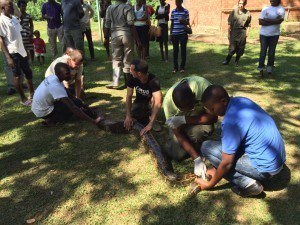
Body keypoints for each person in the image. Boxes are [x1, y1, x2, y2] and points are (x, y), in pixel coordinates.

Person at [194, 85, 286, 197]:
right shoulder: (241, 101)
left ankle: (248, 184)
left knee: (206, 147)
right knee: (225, 150)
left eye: (212, 109)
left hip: (265, 170)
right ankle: (222, 170)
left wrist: (210, 184)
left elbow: (227, 163)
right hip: (277, 161)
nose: (211, 112)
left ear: (223, 101)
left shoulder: (230, 122)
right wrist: (215, 167)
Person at [163, 76, 217, 178]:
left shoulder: (203, 87)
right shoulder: (168, 104)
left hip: (198, 116)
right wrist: (196, 159)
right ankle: (185, 144)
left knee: (202, 130)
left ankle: (196, 144)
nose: (187, 110)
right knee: (177, 155)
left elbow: (213, 117)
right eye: (183, 109)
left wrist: (185, 119)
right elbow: (177, 132)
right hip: (179, 122)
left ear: (194, 96)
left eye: (190, 107)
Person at [32, 63, 102, 126]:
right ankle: (52, 119)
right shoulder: (55, 85)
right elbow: (72, 107)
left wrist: (83, 105)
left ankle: (52, 118)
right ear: (59, 74)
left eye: (70, 72)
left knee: (74, 97)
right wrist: (93, 121)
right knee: (71, 107)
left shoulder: (54, 77)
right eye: (67, 73)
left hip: (39, 108)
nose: (70, 75)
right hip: (43, 112)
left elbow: (68, 93)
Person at [0, 0, 34, 105]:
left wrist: (25, 49)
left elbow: (19, 35)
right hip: (12, 52)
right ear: (3, 8)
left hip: (21, 50)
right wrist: (8, 57)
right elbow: (1, 40)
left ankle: (32, 93)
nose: (13, 8)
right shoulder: (1, 21)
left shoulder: (14, 18)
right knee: (17, 75)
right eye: (10, 6)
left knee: (28, 72)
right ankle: (23, 98)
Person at [105, 0, 141, 89]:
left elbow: (107, 24)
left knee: (116, 58)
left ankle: (115, 81)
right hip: (126, 34)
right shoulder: (127, 7)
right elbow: (131, 25)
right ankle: (127, 83)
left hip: (115, 35)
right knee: (128, 58)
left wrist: (106, 38)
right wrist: (137, 40)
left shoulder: (110, 8)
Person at [124, 59, 162, 135]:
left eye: (132, 70)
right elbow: (129, 96)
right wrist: (128, 115)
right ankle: (145, 115)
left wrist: (150, 124)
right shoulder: (132, 77)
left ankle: (153, 119)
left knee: (154, 99)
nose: (130, 71)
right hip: (139, 102)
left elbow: (158, 102)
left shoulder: (153, 80)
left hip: (150, 103)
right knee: (136, 117)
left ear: (139, 73)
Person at [258, 0, 284, 77]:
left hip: (274, 35)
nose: (272, 0)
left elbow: (279, 21)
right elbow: (260, 22)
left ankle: (269, 71)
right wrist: (274, 21)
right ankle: (260, 70)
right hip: (263, 34)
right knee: (263, 53)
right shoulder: (265, 9)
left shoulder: (281, 9)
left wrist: (266, 20)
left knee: (271, 53)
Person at [222, 0, 251, 66]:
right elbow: (229, 24)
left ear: (245, 4)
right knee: (232, 47)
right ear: (238, 4)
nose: (241, 5)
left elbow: (249, 25)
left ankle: (236, 61)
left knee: (240, 47)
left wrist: (247, 33)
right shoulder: (233, 12)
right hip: (234, 31)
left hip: (242, 32)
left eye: (243, 3)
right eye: (240, 3)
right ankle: (227, 60)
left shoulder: (247, 13)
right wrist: (228, 33)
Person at [170, 0, 190, 74]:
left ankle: (182, 67)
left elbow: (188, 22)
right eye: (176, 2)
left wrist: (183, 21)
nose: (177, 3)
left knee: (183, 51)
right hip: (175, 34)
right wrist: (171, 34)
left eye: (179, 2)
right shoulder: (173, 12)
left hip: (183, 34)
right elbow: (172, 24)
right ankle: (175, 67)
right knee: (175, 51)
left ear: (181, 2)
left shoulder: (185, 11)